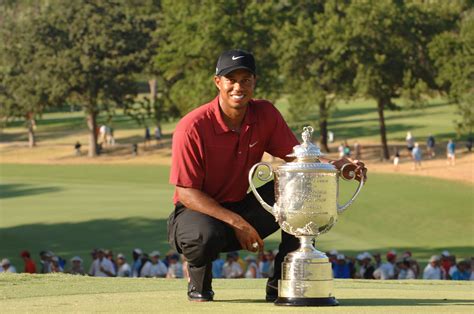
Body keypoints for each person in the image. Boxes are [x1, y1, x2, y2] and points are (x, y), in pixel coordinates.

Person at [167, 49, 367, 302]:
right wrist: (237, 223)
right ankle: (199, 286)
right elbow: (187, 192)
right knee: (203, 235)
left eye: (246, 79)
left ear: (254, 82)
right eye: (231, 79)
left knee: (301, 188)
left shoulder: (265, 114)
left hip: (242, 205)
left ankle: (282, 284)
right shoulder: (192, 127)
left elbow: (298, 158)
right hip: (196, 213)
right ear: (217, 82)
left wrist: (337, 165)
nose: (239, 86)